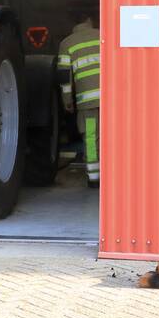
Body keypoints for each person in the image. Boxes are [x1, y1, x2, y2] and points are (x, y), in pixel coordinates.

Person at [57, 13, 100, 188]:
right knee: (115, 135)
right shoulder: (104, 35)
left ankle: (94, 177)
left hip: (87, 103)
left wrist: (67, 100)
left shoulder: (67, 43)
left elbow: (64, 76)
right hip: (113, 100)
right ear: (89, 20)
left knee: (91, 137)